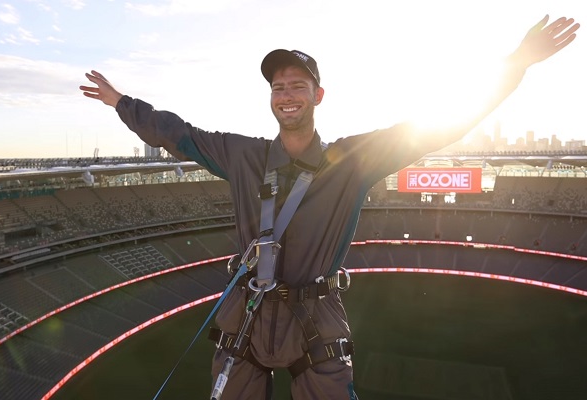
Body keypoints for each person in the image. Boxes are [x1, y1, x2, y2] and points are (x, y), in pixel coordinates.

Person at [80, 15, 579, 400]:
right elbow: (177, 134)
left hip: (315, 320)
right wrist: (122, 102)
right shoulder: (243, 154)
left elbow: (444, 124)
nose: (286, 95)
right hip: (246, 318)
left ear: (318, 95)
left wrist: (516, 63)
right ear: (270, 99)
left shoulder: (353, 160)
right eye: (278, 87)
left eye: (297, 85)